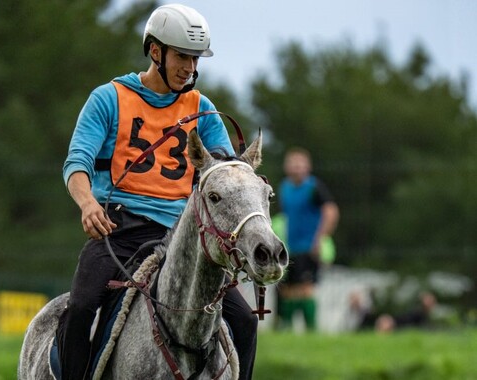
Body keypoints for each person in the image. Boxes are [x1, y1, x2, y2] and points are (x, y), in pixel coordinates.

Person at [58, 4, 258, 380]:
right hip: (118, 231)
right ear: (155, 52)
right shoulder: (109, 97)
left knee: (245, 322)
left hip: (183, 238)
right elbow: (77, 162)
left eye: (196, 59)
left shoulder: (202, 108)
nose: (190, 68)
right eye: (182, 56)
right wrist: (87, 203)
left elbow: (225, 173)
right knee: (82, 307)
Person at [277, 147, 339, 331]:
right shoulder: (284, 188)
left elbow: (331, 211)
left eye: (300, 164)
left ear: (308, 167)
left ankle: (311, 330)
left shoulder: (314, 187)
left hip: (309, 246)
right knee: (287, 291)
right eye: (293, 164)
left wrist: (320, 238)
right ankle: (286, 330)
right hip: (290, 246)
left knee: (306, 288)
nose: (296, 168)